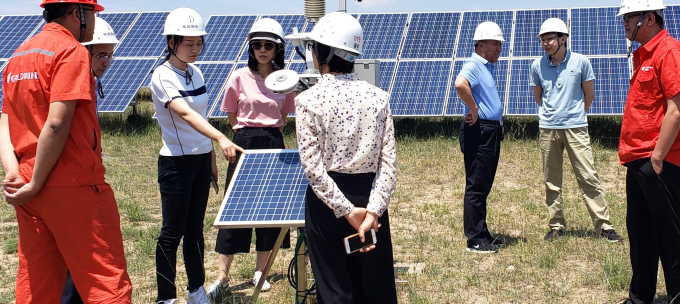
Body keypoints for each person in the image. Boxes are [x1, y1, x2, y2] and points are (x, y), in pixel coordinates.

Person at [0, 0, 133, 303]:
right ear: (77, 14)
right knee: (105, 282)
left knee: (38, 282)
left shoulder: (19, 55)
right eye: (93, 15)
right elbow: (57, 124)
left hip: (27, 186)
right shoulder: (71, 52)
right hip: (70, 183)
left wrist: (15, 174)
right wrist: (36, 180)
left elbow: (5, 122)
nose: (95, 22)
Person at [295, 11, 398, 304]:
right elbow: (388, 163)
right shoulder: (379, 97)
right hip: (370, 200)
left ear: (324, 52)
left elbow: (313, 169)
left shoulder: (307, 100)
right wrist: (373, 211)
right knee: (375, 288)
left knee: (335, 289)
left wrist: (346, 211)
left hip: (327, 205)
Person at [149, 7, 244, 304]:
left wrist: (212, 154)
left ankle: (196, 290)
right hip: (176, 163)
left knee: (195, 230)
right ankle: (166, 297)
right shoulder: (162, 76)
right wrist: (220, 137)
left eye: (198, 42)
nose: (195, 49)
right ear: (171, 42)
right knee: (171, 232)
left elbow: (201, 115)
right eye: (188, 43)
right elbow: (186, 114)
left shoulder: (197, 72)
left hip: (201, 159)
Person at [206, 18, 294, 296]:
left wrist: (267, 129)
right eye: (257, 45)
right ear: (251, 48)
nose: (262, 50)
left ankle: (260, 271)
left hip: (272, 141)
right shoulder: (238, 76)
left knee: (269, 208)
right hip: (243, 141)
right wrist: (244, 130)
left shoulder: (285, 79)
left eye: (268, 45)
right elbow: (231, 112)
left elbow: (283, 116)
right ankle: (222, 276)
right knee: (236, 205)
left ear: (277, 48)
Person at [530, 18, 623, 242]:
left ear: (563, 39)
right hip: (548, 129)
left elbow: (589, 95)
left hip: (576, 128)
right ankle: (556, 226)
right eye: (543, 39)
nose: (546, 43)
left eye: (550, 38)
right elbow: (539, 97)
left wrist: (574, 115)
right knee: (551, 180)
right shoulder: (536, 65)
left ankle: (604, 226)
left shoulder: (581, 62)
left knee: (588, 176)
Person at [616, 0, 680, 303]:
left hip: (660, 161)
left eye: (629, 18)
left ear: (650, 18)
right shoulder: (642, 56)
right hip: (638, 160)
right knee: (640, 231)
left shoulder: (668, 51)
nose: (625, 24)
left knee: (670, 234)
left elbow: (676, 111)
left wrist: (656, 159)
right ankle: (640, 297)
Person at [60, 15, 121, 304]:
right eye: (100, 54)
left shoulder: (92, 83)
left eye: (110, 54)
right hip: (73, 182)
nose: (107, 61)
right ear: (82, 51)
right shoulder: (71, 86)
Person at [453, 21, 505, 253]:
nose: (499, 48)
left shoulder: (486, 66)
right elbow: (460, 84)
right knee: (476, 184)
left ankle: (482, 233)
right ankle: (474, 239)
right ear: (480, 44)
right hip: (480, 130)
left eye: (499, 44)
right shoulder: (474, 64)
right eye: (495, 43)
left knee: (483, 183)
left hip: (489, 130)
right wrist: (474, 109)